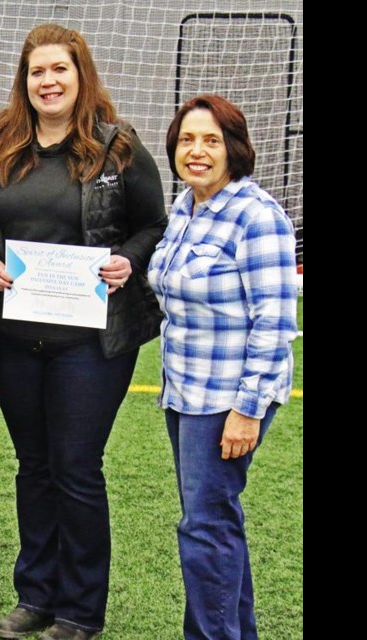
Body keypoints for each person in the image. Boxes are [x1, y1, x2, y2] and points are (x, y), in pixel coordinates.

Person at [0, 24, 167, 640]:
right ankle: (35, 596)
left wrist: (128, 260)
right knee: (33, 466)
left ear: (81, 76)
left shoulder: (119, 148)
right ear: (23, 81)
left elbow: (153, 226)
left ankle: (80, 610)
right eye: (37, 72)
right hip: (11, 339)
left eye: (59, 69)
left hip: (91, 343)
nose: (47, 81)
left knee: (76, 467)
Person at [148, 95, 297, 640]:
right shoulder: (186, 209)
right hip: (184, 390)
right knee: (215, 524)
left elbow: (275, 324)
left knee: (204, 527)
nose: (197, 150)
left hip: (227, 398)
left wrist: (247, 410)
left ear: (234, 148)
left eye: (211, 140)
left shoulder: (257, 217)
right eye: (187, 139)